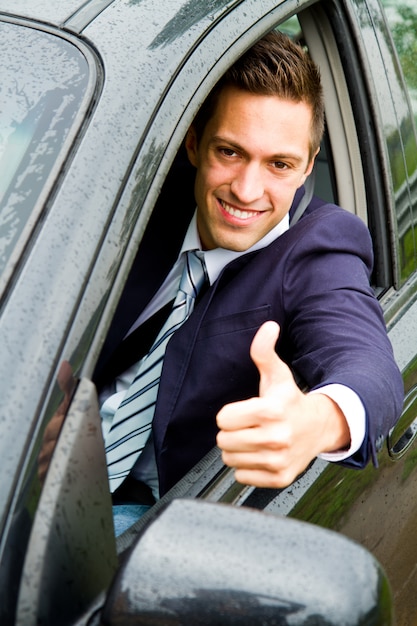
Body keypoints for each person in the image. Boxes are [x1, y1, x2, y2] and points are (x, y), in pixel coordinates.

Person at [93, 30, 403, 526]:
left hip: (144, 513)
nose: (247, 190)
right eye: (230, 152)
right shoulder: (136, 195)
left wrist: (314, 422)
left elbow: (368, 365)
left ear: (306, 169)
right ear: (193, 144)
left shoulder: (321, 248)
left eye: (280, 164)